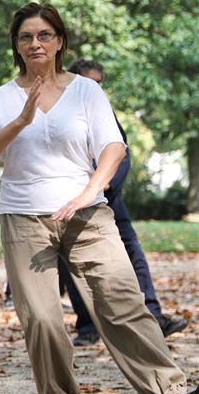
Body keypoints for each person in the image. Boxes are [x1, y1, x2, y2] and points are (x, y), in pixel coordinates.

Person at [0, 2, 198, 394]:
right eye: (25, 37)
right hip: (24, 216)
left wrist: (91, 190)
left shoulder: (86, 91)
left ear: (59, 42)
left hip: (86, 212)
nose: (35, 43)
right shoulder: (0, 99)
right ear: (15, 46)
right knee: (41, 316)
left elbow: (113, 147)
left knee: (121, 302)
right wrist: (20, 120)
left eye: (44, 35)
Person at [59, 59, 188, 346]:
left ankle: (154, 316)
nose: (97, 90)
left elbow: (121, 154)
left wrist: (105, 187)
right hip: (70, 202)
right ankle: (88, 326)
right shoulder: (61, 111)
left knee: (134, 255)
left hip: (110, 200)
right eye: (91, 83)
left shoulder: (103, 112)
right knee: (70, 263)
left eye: (100, 84)